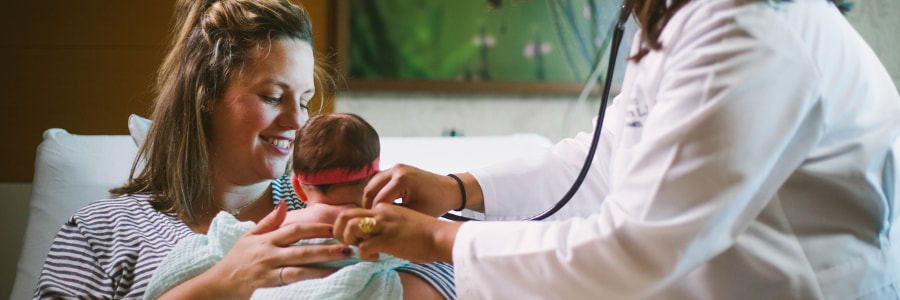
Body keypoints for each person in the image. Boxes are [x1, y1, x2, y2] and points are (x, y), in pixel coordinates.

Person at [333, 0, 900, 298]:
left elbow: (642, 244)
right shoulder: (686, 18)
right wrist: (460, 188)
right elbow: (605, 161)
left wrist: (442, 238)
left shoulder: (743, 26)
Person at [33, 0, 454, 299]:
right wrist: (221, 284)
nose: (297, 121)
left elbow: (460, 277)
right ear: (206, 96)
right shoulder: (102, 233)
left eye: (305, 100)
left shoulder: (356, 215)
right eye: (273, 97)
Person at [143, 113, 442, 299]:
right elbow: (409, 249)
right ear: (375, 180)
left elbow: (212, 253)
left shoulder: (278, 227)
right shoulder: (369, 225)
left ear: (297, 186)